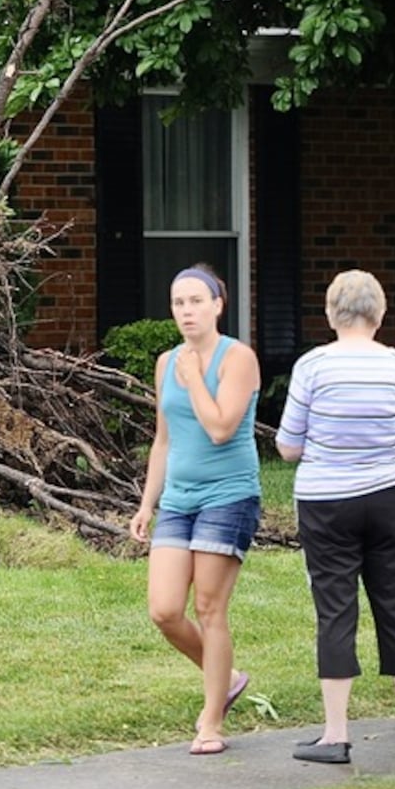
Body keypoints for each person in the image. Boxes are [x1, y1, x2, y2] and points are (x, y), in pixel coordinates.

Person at [275, 270, 395, 764]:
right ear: (381, 314)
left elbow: (287, 447)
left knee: (335, 612)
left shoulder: (312, 366)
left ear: (330, 313)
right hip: (389, 500)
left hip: (325, 504)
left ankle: (336, 735)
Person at [129, 263, 261, 756]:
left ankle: (211, 721)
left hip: (229, 497)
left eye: (196, 301)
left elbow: (221, 428)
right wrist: (148, 503)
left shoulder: (238, 358)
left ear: (217, 306)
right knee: (164, 610)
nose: (187, 311)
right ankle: (226, 677)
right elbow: (163, 439)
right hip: (179, 501)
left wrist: (194, 379)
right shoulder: (167, 363)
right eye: (178, 303)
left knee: (210, 608)